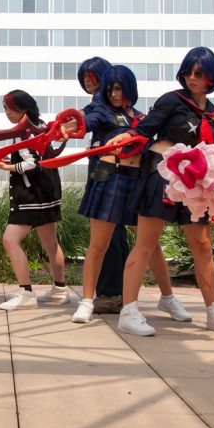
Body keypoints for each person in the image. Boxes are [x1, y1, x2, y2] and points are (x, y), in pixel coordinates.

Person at [107, 47, 214, 336]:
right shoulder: (172, 100)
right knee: (147, 242)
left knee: (202, 245)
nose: (192, 78)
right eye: (188, 72)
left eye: (199, 73)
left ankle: (213, 311)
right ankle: (128, 311)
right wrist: (126, 136)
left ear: (211, 77)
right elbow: (145, 128)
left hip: (197, 182)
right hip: (163, 174)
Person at [67, 65, 174, 323]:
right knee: (98, 245)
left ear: (129, 88)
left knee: (150, 245)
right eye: (109, 89)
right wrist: (68, 126)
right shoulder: (102, 111)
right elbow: (85, 122)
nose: (113, 94)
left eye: (118, 88)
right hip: (110, 179)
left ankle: (168, 298)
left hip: (138, 182)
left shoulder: (141, 118)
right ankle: (87, 300)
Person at [43, 56, 126, 313]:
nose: (88, 82)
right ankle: (116, 292)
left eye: (93, 76)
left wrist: (68, 126)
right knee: (115, 235)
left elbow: (85, 120)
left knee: (109, 237)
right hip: (111, 171)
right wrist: (64, 127)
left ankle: (112, 293)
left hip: (108, 174)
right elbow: (84, 119)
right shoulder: (107, 105)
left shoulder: (104, 105)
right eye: (84, 77)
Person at [0, 90, 65, 311]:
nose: (7, 113)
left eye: (9, 108)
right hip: (49, 191)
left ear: (23, 108)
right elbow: (47, 155)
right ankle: (60, 290)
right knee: (50, 242)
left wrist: (7, 166)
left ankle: (25, 293)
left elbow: (33, 164)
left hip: (30, 196)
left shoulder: (23, 131)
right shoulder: (39, 124)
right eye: (5, 108)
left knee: (10, 240)